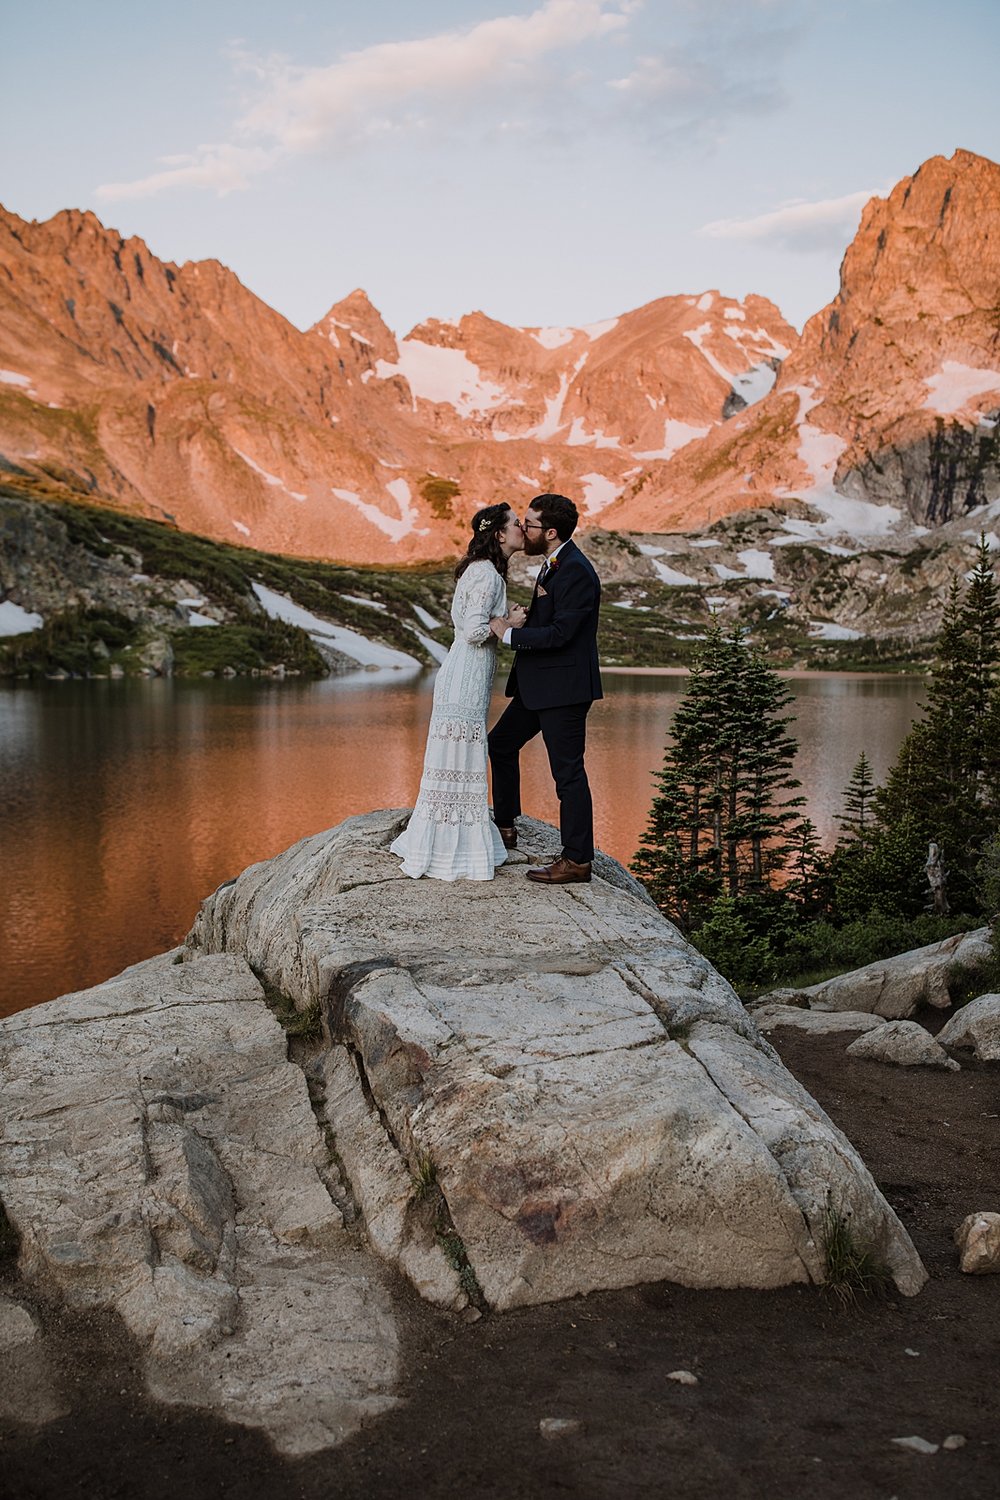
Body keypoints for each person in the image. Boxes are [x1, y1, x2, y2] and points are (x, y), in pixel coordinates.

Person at [391, 503, 526, 880]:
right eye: (515, 524)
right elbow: (473, 630)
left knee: (456, 754)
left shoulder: (479, 571)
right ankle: (455, 846)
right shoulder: (487, 576)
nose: (521, 528)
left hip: (464, 672)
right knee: (462, 752)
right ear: (498, 534)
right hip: (466, 673)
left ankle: (445, 836)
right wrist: (509, 622)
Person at [487, 493, 602, 885]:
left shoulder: (576, 571)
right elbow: (551, 619)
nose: (524, 529)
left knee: (567, 774)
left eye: (530, 524)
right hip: (539, 687)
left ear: (550, 532)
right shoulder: (555, 563)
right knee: (500, 744)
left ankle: (577, 860)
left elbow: (563, 633)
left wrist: (511, 634)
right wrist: (527, 616)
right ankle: (505, 826)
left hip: (564, 690)